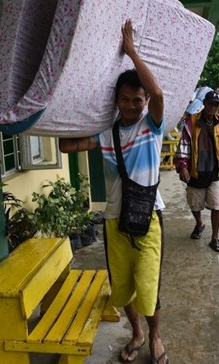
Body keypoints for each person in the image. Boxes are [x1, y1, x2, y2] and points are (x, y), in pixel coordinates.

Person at [59, 19, 168, 364]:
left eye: (138, 99)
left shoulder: (153, 127)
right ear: (116, 101)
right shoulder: (106, 134)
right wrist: (67, 96)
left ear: (144, 100)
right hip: (113, 222)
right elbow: (66, 145)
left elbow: (161, 94)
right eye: (126, 100)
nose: (132, 106)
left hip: (148, 219)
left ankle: (155, 336)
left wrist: (131, 51)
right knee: (122, 288)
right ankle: (136, 332)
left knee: (148, 288)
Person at [174, 91, 219, 252]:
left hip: (215, 171)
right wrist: (183, 166)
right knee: (195, 204)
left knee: (217, 205)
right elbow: (184, 144)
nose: (212, 107)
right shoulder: (191, 122)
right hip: (196, 170)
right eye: (210, 103)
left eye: (216, 104)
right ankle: (199, 224)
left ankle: (215, 238)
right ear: (204, 104)